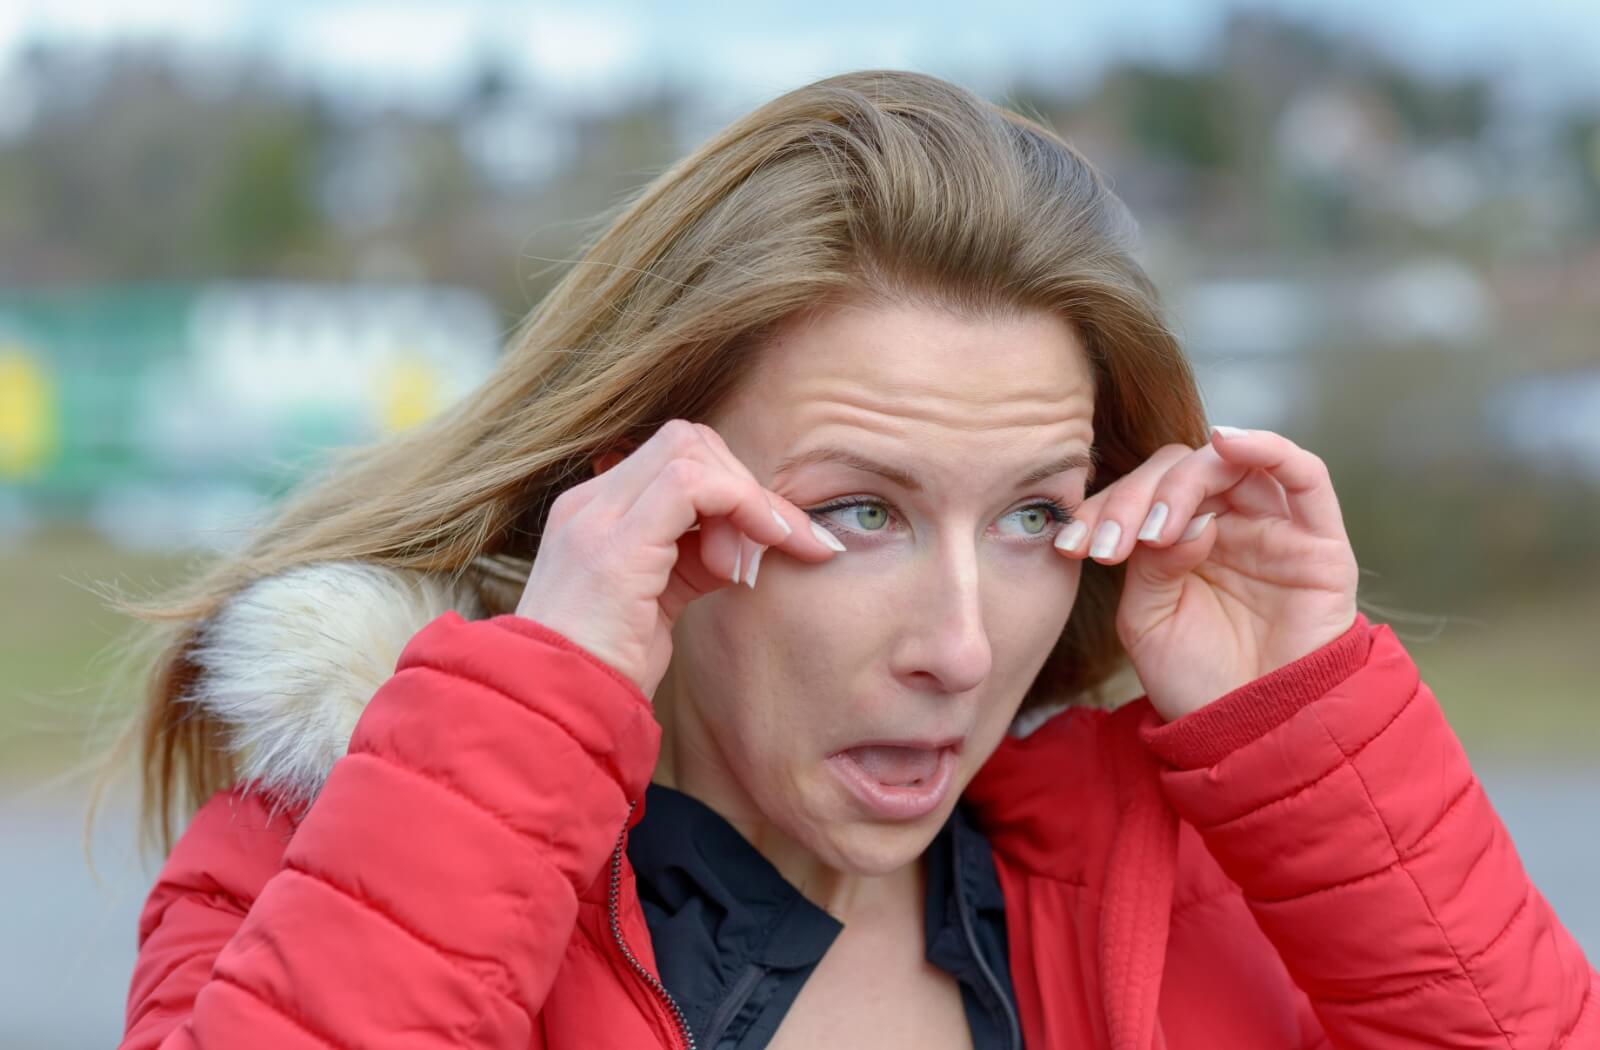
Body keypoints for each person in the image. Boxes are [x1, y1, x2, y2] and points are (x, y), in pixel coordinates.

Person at [112, 70, 1595, 1049]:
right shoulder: (307, 868)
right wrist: (533, 708)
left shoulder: (1185, 872)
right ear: (632, 498)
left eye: (1030, 516)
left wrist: (1313, 735)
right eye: (858, 512)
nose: (960, 643)